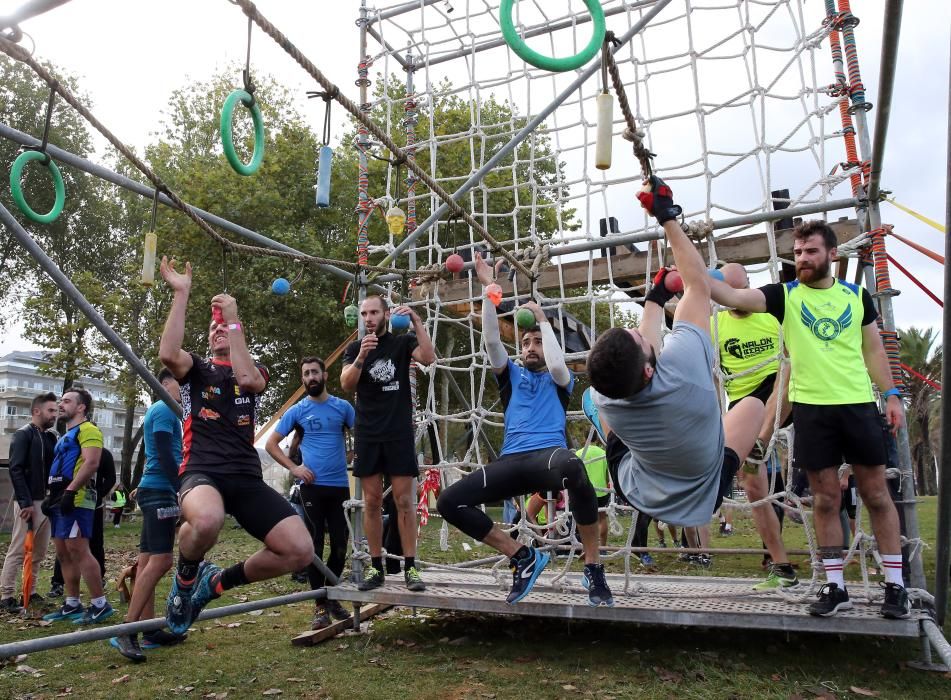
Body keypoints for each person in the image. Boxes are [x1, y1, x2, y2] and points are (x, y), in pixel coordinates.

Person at [709, 219, 909, 619]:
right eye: (798, 253)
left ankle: (896, 586)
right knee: (825, 499)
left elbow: (873, 349)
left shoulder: (857, 296)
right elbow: (731, 293)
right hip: (812, 412)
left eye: (811, 251)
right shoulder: (786, 296)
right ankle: (834, 585)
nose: (802, 258)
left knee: (876, 495)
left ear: (832, 254)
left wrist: (890, 395)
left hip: (856, 406)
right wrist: (687, 266)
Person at [587, 176, 764, 555]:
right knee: (752, 405)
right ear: (649, 368)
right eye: (639, 339)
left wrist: (657, 294)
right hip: (703, 495)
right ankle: (747, 446)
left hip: (636, 489)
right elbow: (698, 286)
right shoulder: (684, 366)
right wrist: (667, 218)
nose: (640, 333)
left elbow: (646, 339)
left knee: (600, 401)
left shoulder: (607, 396)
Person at [437, 256, 614, 607]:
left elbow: (559, 363)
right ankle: (522, 556)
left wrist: (545, 322)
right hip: (512, 460)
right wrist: (490, 291)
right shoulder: (511, 378)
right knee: (448, 501)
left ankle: (593, 567)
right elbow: (490, 342)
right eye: (526, 343)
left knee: (575, 469)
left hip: (548, 458)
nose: (530, 348)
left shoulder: (559, 379)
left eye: (536, 342)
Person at [158, 257, 313, 636]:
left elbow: (247, 379)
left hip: (245, 476)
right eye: (213, 328)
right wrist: (182, 293)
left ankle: (217, 583)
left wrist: (234, 320)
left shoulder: (253, 369)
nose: (218, 331)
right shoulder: (195, 368)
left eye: (223, 327)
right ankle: (185, 579)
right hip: (202, 470)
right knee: (207, 521)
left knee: (300, 551)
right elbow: (166, 354)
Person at [711, 262, 798, 590]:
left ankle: (761, 441)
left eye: (741, 290)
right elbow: (677, 312)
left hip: (781, 394)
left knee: (790, 369)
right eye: (727, 293)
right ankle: (781, 566)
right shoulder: (714, 323)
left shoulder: (772, 313)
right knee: (755, 489)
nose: (736, 299)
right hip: (743, 404)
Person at [341, 296, 435, 592]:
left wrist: (418, 322)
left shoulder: (402, 343)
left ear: (386, 315)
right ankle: (375, 566)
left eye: (373, 312)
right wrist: (360, 358)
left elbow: (429, 357)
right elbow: (346, 383)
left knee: (404, 501)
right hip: (368, 434)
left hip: (398, 433)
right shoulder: (356, 348)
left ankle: (411, 567)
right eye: (364, 313)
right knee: (370, 502)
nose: (368, 318)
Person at [266, 356, 355, 630]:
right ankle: (319, 605)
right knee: (314, 545)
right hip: (311, 489)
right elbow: (271, 444)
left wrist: (356, 454)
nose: (310, 378)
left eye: (315, 372)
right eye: (305, 374)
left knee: (341, 544)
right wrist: (294, 468)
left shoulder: (343, 407)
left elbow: (362, 433)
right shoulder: (298, 410)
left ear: (325, 375)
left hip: (339, 485)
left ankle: (331, 596)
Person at [112, 369, 186, 662]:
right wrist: (181, 488)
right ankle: (127, 631)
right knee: (163, 560)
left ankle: (149, 628)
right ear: (166, 383)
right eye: (182, 383)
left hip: (154, 488)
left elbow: (158, 451)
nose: (185, 390)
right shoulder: (166, 408)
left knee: (145, 562)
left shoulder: (162, 411)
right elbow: (166, 454)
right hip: (160, 490)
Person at [42, 388, 114, 624]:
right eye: (61, 401)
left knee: (79, 549)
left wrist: (71, 491)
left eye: (67, 401)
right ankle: (72, 603)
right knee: (63, 552)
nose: (61, 405)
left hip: (78, 498)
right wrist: (50, 495)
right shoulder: (64, 436)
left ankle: (100, 604)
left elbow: (92, 463)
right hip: (58, 498)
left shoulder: (89, 430)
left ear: (81, 407)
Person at [0, 392, 57, 612]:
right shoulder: (23, 435)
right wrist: (24, 502)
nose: (54, 414)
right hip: (28, 502)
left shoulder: (51, 437)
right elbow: (15, 469)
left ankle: (30, 591)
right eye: (50, 410)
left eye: (55, 410)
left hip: (46, 501)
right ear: (37, 411)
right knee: (18, 549)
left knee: (39, 551)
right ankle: (6, 595)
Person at [576, 442, 609, 547]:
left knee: (583, 519)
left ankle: (587, 546)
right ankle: (602, 546)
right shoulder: (603, 453)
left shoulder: (579, 453)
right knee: (602, 518)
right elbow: (608, 474)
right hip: (601, 490)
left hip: (584, 490)